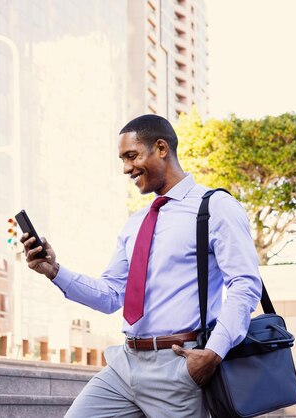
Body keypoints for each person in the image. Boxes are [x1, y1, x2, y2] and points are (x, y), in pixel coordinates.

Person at [21, 114, 262, 417]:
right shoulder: (135, 224)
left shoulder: (215, 207)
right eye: (122, 159)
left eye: (131, 156)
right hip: (125, 364)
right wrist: (54, 271)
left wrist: (213, 353)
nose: (126, 168)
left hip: (177, 365)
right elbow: (111, 295)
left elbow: (244, 285)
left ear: (161, 148)